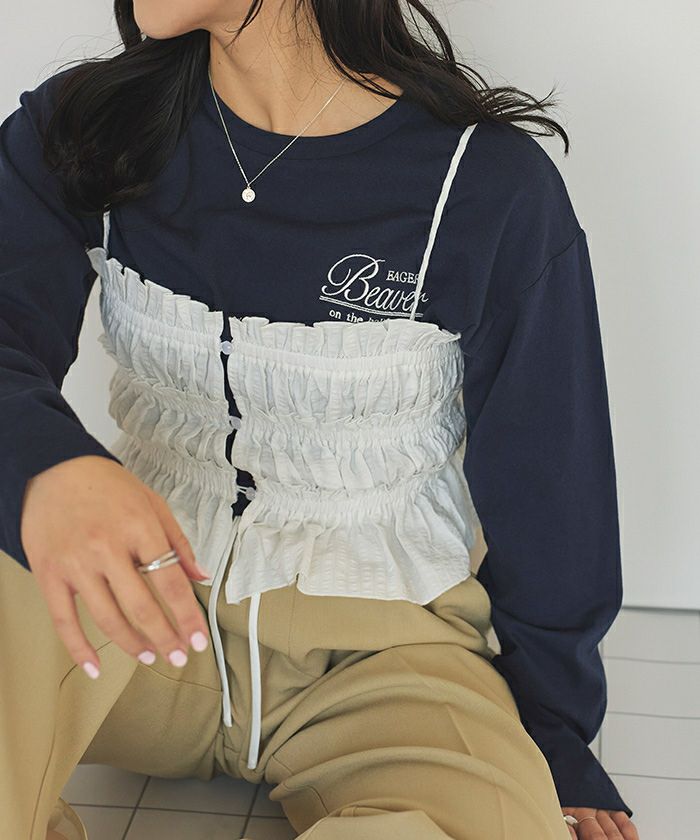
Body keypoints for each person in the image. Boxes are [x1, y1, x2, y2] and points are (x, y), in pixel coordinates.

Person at [0, 2, 639, 839]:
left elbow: (551, 482)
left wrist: (554, 732)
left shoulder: (485, 183)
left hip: (384, 662)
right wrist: (49, 468)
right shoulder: (88, 124)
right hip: (130, 622)